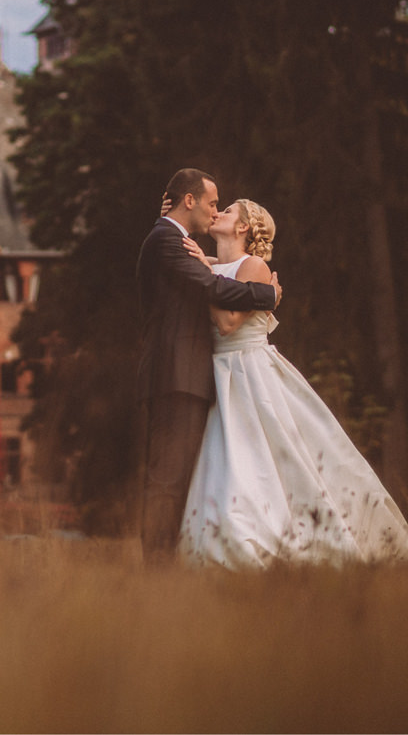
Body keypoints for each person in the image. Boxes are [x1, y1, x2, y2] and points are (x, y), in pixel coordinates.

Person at [178, 198, 408, 568]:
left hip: (248, 373)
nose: (218, 213)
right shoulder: (211, 265)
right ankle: (218, 537)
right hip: (216, 372)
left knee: (264, 459)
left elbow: (228, 323)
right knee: (225, 460)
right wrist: (202, 265)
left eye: (227, 211)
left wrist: (202, 274)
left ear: (244, 227)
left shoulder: (255, 267)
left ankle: (276, 538)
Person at [134, 168, 280, 562]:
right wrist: (266, 294)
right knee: (167, 479)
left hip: (191, 375)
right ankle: (158, 568)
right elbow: (213, 288)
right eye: (213, 203)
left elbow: (208, 278)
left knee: (180, 479)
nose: (215, 213)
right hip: (176, 376)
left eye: (223, 208)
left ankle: (168, 562)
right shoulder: (168, 240)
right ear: (189, 201)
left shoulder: (173, 239)